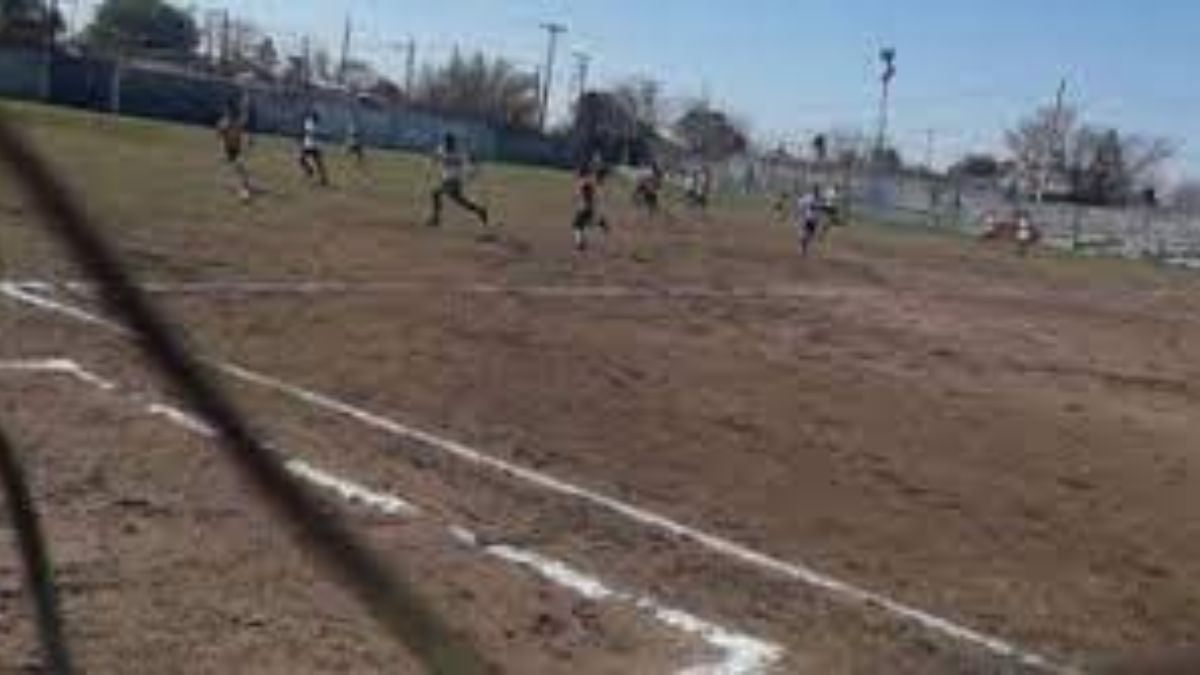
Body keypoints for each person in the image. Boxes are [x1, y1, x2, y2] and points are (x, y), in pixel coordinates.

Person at [428, 132, 490, 229]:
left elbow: (472, 160)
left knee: (436, 193)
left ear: (453, 142)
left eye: (450, 142)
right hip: (446, 180)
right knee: (461, 202)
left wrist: (474, 170)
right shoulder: (442, 149)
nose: (449, 144)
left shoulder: (459, 152)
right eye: (448, 142)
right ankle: (480, 211)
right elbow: (435, 157)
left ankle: (436, 219)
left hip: (454, 180)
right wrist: (432, 164)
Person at [215, 100, 253, 202]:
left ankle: (244, 188)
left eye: (231, 112)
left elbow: (245, 119)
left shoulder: (237, 121)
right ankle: (242, 189)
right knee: (235, 168)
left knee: (240, 168)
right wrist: (222, 146)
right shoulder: (224, 123)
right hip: (228, 150)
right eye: (229, 112)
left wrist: (248, 140)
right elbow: (219, 135)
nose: (230, 113)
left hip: (236, 149)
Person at [571, 157, 610, 251]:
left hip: (586, 207)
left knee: (576, 225)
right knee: (587, 224)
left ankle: (580, 243)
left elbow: (580, 193)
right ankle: (601, 228)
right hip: (591, 207)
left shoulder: (585, 182)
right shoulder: (593, 182)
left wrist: (578, 196)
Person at [298, 111, 329, 186]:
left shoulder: (314, 124)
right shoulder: (309, 122)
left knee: (318, 163)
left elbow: (310, 133)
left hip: (313, 146)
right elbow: (308, 132)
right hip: (309, 145)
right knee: (302, 160)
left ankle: (323, 179)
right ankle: (310, 170)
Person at [797, 185, 823, 257]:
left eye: (818, 191)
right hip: (808, 218)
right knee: (805, 233)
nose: (817, 192)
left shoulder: (820, 199)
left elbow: (820, 208)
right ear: (813, 191)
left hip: (815, 219)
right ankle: (803, 248)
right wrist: (801, 213)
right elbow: (802, 204)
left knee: (811, 235)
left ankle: (804, 246)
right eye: (816, 191)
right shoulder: (809, 197)